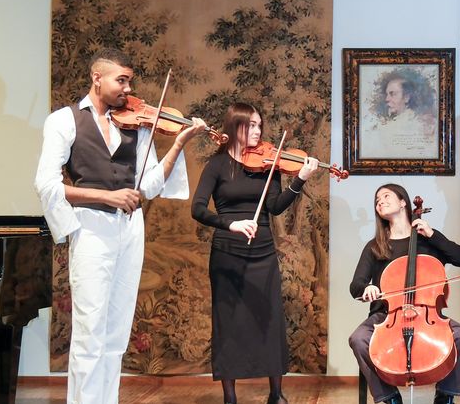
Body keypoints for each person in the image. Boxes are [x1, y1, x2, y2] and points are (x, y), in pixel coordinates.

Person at [34, 48, 207, 404]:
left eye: (130, 81)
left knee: (115, 333)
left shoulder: (135, 124)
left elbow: (149, 184)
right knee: (89, 330)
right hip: (91, 228)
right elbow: (47, 185)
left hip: (129, 230)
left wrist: (178, 143)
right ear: (97, 78)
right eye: (121, 80)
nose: (128, 89)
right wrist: (106, 197)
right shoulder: (64, 121)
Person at [191, 102, 319, 404]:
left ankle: (276, 394)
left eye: (260, 125)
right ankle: (230, 397)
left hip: (262, 253)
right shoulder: (217, 165)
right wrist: (230, 224)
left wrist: (300, 179)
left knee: (270, 319)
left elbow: (274, 207)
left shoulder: (268, 163)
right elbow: (197, 208)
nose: (258, 131)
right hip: (227, 253)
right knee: (228, 323)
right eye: (251, 125)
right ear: (234, 126)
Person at [348, 184, 460, 404]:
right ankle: (390, 397)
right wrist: (367, 288)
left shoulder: (427, 240)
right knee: (358, 339)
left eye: (386, 196)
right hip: (386, 315)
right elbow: (356, 285)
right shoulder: (375, 246)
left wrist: (433, 235)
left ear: (403, 202)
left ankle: (445, 396)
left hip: (426, 313)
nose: (380, 201)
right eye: (377, 200)